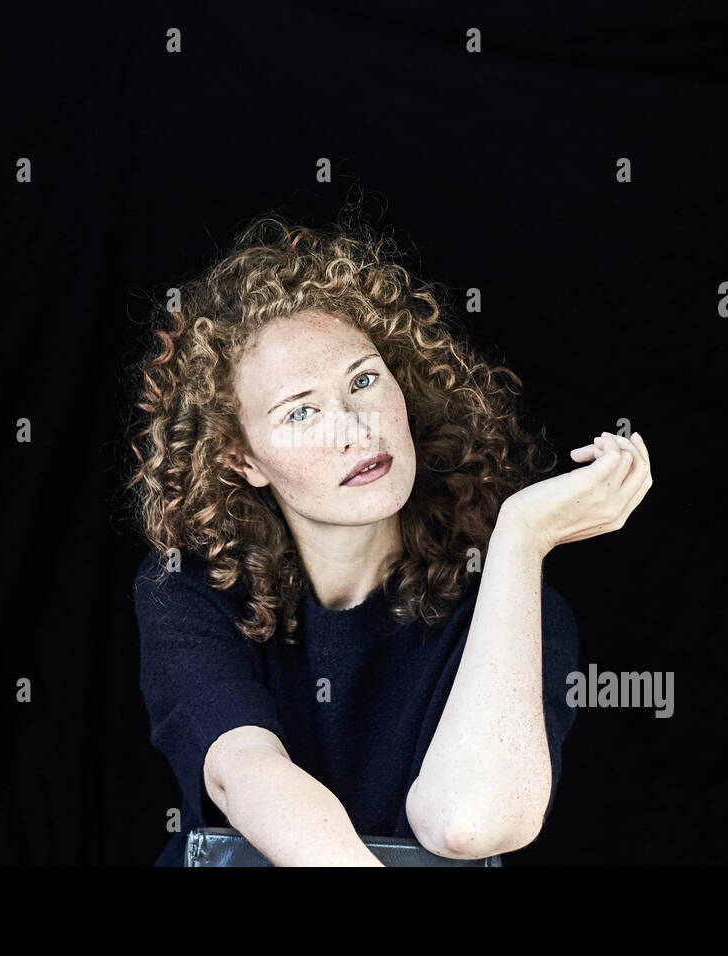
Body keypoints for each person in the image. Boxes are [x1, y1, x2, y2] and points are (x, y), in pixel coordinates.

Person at [124, 211, 652, 866]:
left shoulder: (512, 611)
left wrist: (521, 537)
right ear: (242, 458)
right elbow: (246, 773)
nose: (353, 428)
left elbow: (467, 824)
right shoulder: (189, 591)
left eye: (364, 380)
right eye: (302, 411)